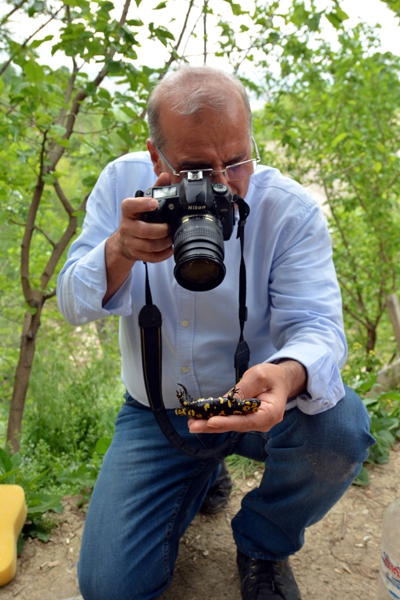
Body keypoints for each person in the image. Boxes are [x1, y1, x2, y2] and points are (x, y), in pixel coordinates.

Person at [57, 65, 375, 600]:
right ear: (157, 160)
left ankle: (262, 543)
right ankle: (200, 471)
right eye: (198, 169)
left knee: (340, 429)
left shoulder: (288, 209)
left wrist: (288, 374)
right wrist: (117, 252)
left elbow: (319, 326)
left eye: (237, 161)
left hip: (259, 402)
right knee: (109, 589)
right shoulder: (121, 184)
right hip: (157, 412)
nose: (222, 184)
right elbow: (70, 303)